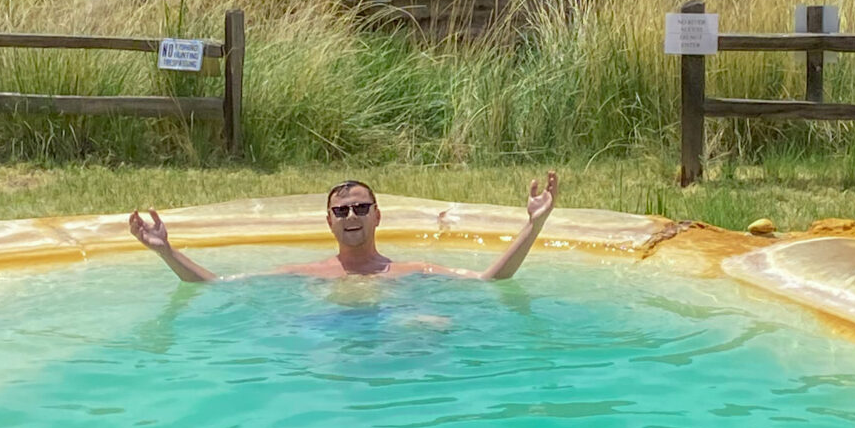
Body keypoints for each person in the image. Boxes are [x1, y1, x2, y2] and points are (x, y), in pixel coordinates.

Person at [127, 174, 559, 284]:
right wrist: (165, 250)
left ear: (377, 216)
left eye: (360, 207)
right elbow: (218, 284)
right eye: (342, 210)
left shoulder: (413, 272)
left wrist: (533, 226)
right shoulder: (308, 274)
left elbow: (491, 281)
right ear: (329, 221)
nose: (351, 215)